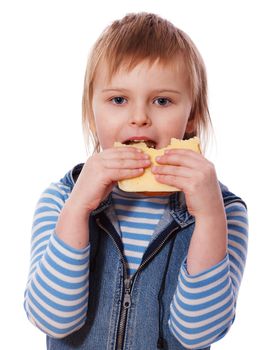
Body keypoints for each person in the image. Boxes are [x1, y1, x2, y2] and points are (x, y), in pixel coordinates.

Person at [24, 12, 248, 350]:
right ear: (92, 112)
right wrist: (79, 208)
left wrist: (210, 218)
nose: (140, 117)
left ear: (192, 117)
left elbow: (197, 333)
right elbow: (51, 318)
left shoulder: (224, 213)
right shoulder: (60, 201)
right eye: (118, 99)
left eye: (162, 101)